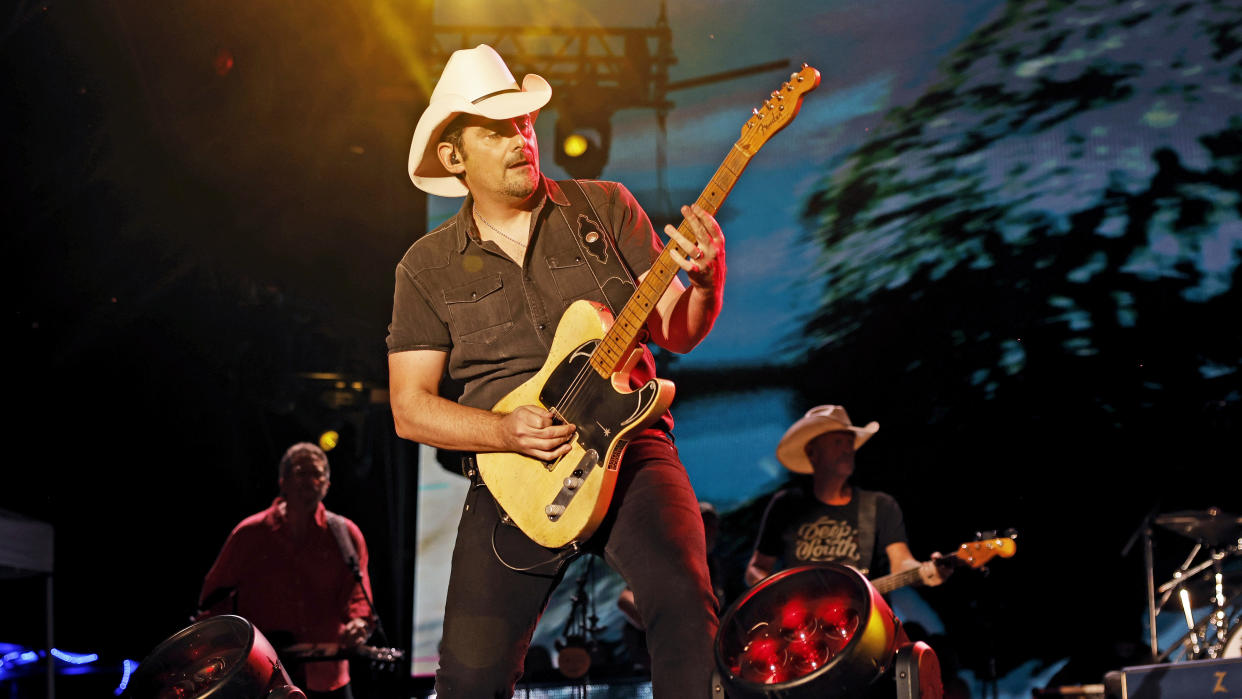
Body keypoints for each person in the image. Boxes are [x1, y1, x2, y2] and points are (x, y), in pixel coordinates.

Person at [386, 44, 727, 697]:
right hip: (513, 476)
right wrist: (504, 431)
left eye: (523, 122)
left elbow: (677, 327)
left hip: (632, 450)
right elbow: (411, 406)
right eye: (497, 129)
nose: (520, 138)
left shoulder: (605, 207)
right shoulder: (424, 267)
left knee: (685, 606)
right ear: (454, 156)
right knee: (467, 680)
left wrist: (708, 281)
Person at [198, 442, 375, 699]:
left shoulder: (345, 534)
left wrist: (359, 623)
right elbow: (212, 600)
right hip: (265, 676)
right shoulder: (251, 533)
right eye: (302, 473)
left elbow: (358, 595)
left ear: (327, 485)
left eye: (318, 475)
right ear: (283, 481)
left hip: (328, 676)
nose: (310, 481)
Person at [745, 405, 949, 588]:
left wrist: (925, 572)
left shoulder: (881, 505)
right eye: (838, 441)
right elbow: (756, 568)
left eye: (850, 443)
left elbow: (901, 562)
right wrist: (778, 594)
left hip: (870, 620)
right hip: (806, 626)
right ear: (812, 453)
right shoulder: (786, 505)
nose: (847, 450)